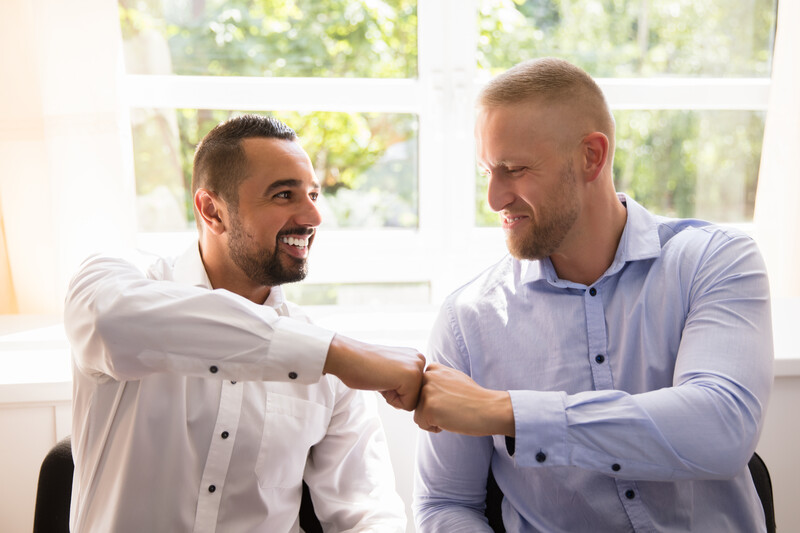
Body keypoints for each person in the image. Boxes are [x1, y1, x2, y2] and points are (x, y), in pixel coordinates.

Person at [412, 58, 773, 532]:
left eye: (515, 169)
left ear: (591, 157)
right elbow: (444, 503)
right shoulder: (468, 320)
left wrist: (508, 412)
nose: (495, 199)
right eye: (487, 173)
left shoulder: (716, 262)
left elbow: (722, 427)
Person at [64, 114, 425, 532]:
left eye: (313, 194)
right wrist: (335, 354)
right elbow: (112, 324)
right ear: (212, 210)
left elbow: (367, 510)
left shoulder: (330, 368)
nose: (313, 216)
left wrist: (332, 356)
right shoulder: (110, 283)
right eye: (284, 195)